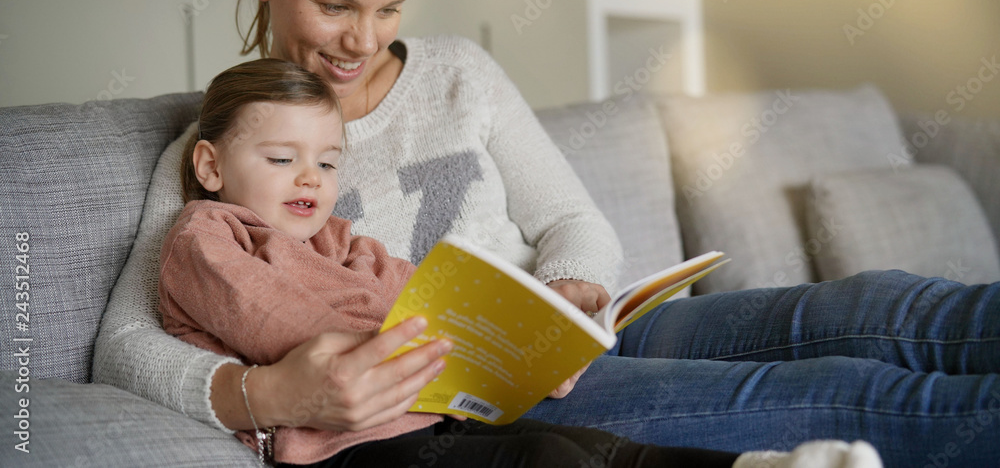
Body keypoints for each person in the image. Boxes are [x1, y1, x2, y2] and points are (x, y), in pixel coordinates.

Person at [93, 0, 1000, 467]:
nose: (361, 40)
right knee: (844, 391)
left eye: (389, 8)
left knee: (884, 306)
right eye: (336, 6)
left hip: (585, 338)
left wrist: (569, 292)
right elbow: (125, 345)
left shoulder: (460, 75)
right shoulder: (227, 153)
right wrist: (268, 392)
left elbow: (572, 223)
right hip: (482, 398)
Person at [158, 57, 743, 467]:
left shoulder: (336, 241)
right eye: (283, 158)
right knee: (543, 458)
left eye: (329, 163)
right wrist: (423, 349)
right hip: (342, 449)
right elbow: (274, 323)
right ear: (210, 167)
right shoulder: (208, 236)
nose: (311, 176)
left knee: (578, 443)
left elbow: (422, 294)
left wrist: (525, 340)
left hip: (433, 416)